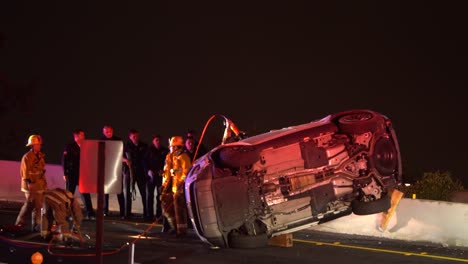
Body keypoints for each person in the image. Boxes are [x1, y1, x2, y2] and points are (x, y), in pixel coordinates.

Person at [160, 136, 192, 237]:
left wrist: (181, 184)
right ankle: (174, 227)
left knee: (180, 209)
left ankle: (181, 231)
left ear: (177, 147)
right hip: (172, 187)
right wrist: (164, 185)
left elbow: (186, 172)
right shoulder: (172, 157)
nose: (171, 148)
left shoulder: (184, 157)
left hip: (179, 188)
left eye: (173, 147)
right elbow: (168, 173)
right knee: (168, 206)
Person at [15, 135, 48, 231]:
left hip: (39, 185)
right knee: (30, 205)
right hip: (31, 186)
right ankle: (19, 224)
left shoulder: (40, 156)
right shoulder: (27, 157)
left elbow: (41, 170)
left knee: (38, 206)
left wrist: (44, 184)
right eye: (37, 144)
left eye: (39, 144)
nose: (39, 146)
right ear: (32, 145)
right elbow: (24, 173)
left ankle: (36, 225)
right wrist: (29, 184)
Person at [62, 129, 95, 220]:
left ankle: (90, 213)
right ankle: (67, 214)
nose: (84, 137)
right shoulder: (69, 147)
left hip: (83, 174)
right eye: (82, 135)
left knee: (85, 194)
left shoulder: (86, 146)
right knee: (69, 194)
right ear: (76, 136)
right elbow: (65, 160)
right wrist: (65, 173)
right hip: (72, 173)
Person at [100, 125, 126, 218]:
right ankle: (105, 211)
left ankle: (123, 212)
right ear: (103, 132)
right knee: (105, 192)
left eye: (110, 131)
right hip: (105, 169)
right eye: (106, 131)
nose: (108, 133)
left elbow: (122, 153)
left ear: (112, 131)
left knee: (119, 191)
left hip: (116, 169)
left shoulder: (118, 141)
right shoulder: (101, 141)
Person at [123, 129, 148, 219]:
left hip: (141, 172)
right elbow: (120, 156)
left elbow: (147, 157)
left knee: (144, 193)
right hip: (129, 171)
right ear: (130, 137)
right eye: (133, 136)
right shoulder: (126, 146)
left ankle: (146, 213)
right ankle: (127, 214)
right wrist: (126, 160)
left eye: (137, 136)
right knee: (128, 193)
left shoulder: (144, 145)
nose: (135, 138)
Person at [143, 134, 169, 222]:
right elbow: (144, 162)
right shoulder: (149, 150)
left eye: (159, 140)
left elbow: (167, 162)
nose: (158, 142)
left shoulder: (165, 150)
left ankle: (158, 215)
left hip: (160, 176)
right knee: (149, 196)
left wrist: (163, 171)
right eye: (156, 140)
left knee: (159, 196)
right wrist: (148, 171)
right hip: (150, 176)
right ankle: (149, 215)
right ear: (153, 141)